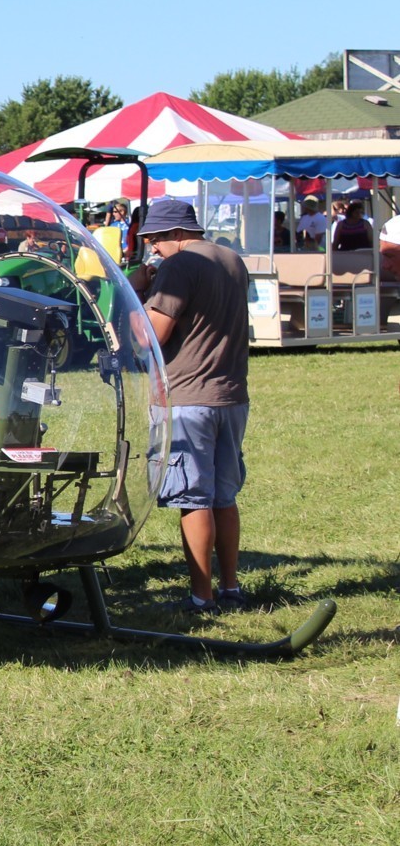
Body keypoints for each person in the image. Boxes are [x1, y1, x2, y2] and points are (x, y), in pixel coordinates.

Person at [127, 198, 250, 614]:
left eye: (156, 241)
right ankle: (231, 586)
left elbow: (149, 337)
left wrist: (136, 293)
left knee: (192, 499)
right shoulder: (231, 259)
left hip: (186, 398)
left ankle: (202, 596)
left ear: (177, 235)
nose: (153, 250)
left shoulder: (180, 267)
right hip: (230, 395)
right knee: (223, 497)